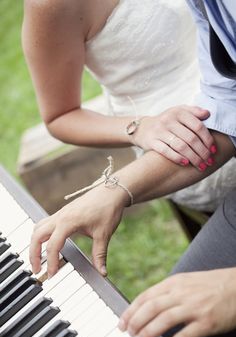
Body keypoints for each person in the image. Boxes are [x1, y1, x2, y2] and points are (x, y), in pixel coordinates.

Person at [26, 0, 236, 337]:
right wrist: (116, 188)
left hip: (202, 141)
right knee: (172, 328)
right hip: (199, 144)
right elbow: (229, 99)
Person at [22, 0, 236, 212]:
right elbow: (59, 117)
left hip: (227, 81)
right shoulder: (50, 6)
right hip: (181, 144)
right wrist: (140, 128)